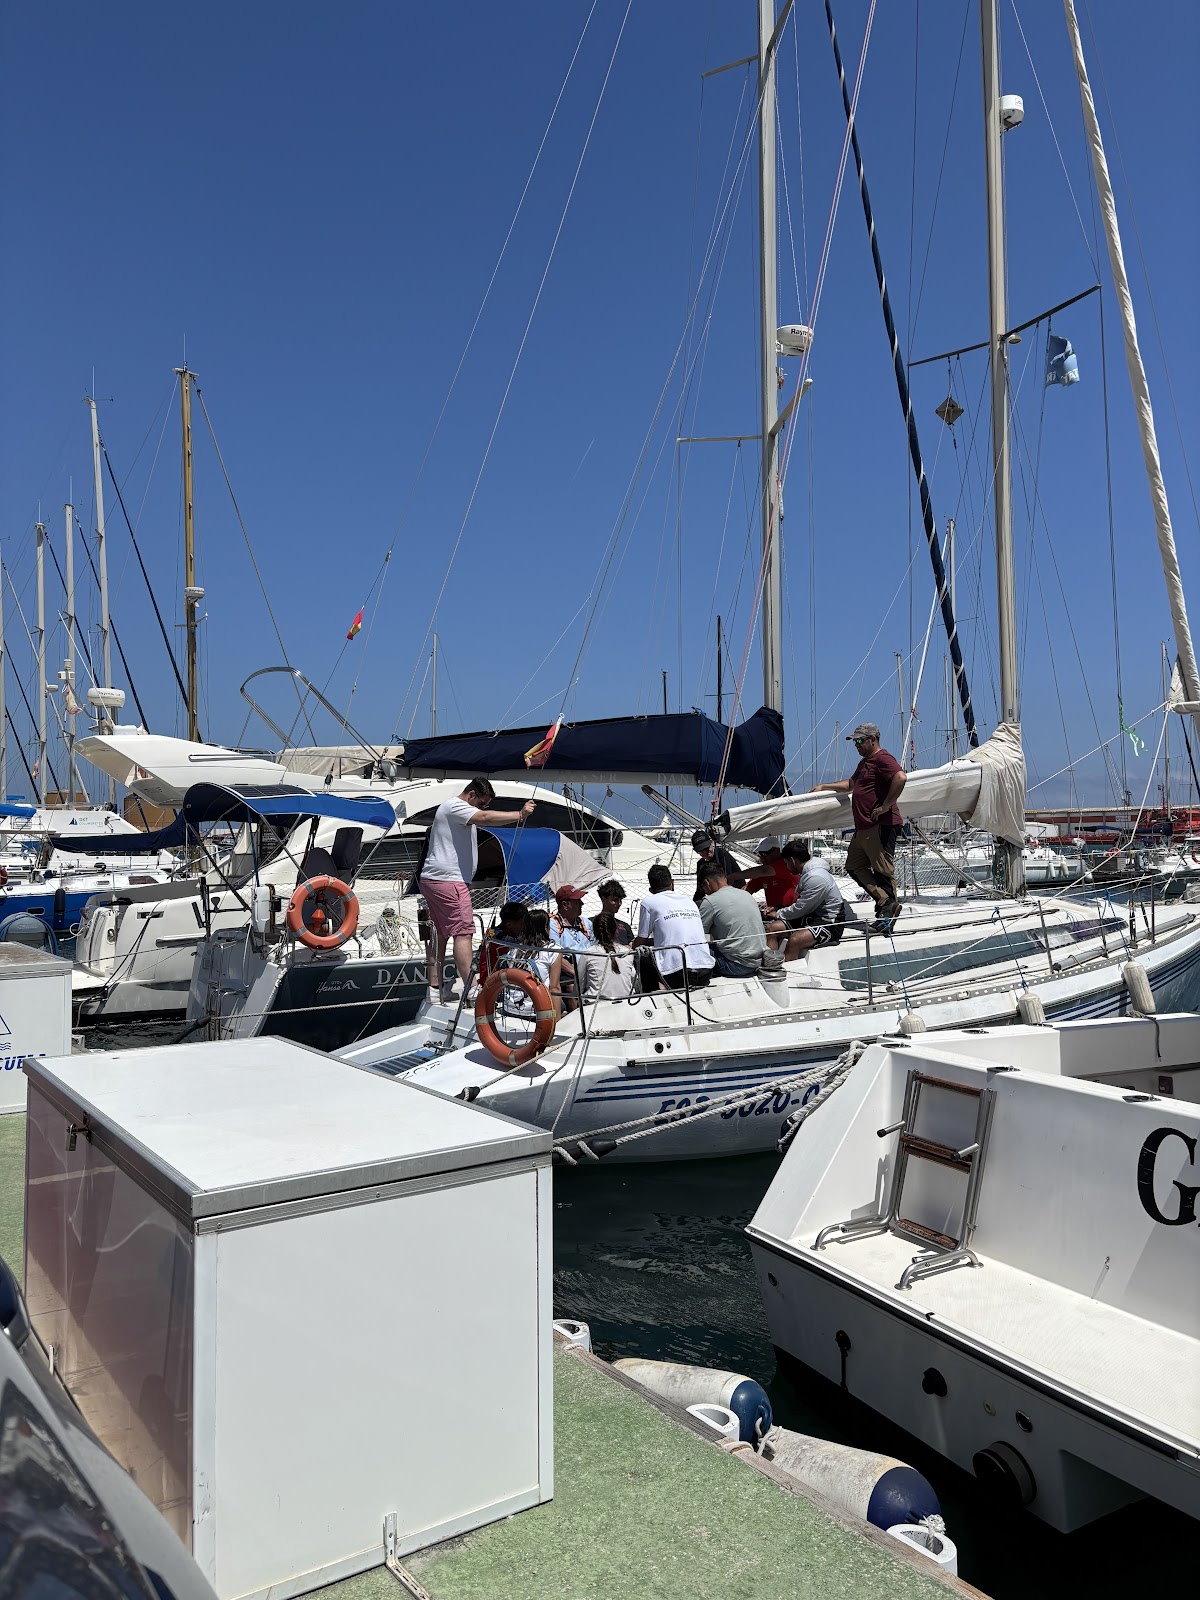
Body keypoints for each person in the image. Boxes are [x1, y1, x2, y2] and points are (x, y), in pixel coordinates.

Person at [422, 776, 535, 998]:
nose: (483, 808)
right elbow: (484, 818)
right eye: (482, 802)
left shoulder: (453, 810)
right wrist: (519, 815)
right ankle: (472, 989)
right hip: (449, 880)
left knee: (442, 933)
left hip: (435, 878)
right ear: (471, 795)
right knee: (463, 933)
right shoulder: (456, 806)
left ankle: (435, 988)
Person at [810, 723, 906, 931]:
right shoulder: (865, 763)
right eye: (855, 742)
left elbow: (900, 777)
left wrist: (885, 806)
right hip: (863, 827)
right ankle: (886, 903)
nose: (857, 745)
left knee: (883, 872)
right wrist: (825, 786)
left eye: (860, 741)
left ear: (873, 739)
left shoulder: (882, 759)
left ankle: (887, 920)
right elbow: (851, 785)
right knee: (853, 866)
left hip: (879, 825)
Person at [635, 863, 715, 990]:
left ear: (651, 890)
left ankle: (651, 997)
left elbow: (641, 942)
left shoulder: (648, 903)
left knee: (641, 957)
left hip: (677, 975)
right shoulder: (689, 902)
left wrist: (631, 946)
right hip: (706, 970)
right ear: (673, 884)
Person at [767, 839, 850, 960]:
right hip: (811, 916)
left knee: (795, 940)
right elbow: (801, 904)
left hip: (830, 922)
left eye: (786, 863)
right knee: (770, 929)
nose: (786, 867)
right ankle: (772, 965)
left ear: (792, 860)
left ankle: (789, 974)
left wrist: (778, 913)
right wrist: (779, 908)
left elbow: (802, 908)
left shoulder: (816, 877)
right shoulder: (806, 873)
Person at [697, 863, 767, 977]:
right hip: (758, 961)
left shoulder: (710, 901)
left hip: (735, 965)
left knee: (692, 948)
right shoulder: (746, 894)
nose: (705, 891)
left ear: (706, 883)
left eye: (703, 887)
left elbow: (698, 936)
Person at [577, 910, 637, 1003]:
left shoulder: (589, 954)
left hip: (597, 1004)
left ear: (594, 932)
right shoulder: (627, 953)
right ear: (616, 931)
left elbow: (578, 987)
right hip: (627, 1003)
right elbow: (633, 979)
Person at [549, 885, 592, 1012]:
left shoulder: (585, 923)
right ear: (565, 905)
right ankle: (578, 1020)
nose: (582, 903)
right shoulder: (553, 924)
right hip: (568, 969)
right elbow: (555, 955)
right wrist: (577, 973)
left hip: (589, 965)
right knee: (570, 985)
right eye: (577, 901)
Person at [741, 835, 798, 912]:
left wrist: (734, 876)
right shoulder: (765, 872)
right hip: (774, 913)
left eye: (765, 853)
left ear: (777, 851)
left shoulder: (784, 864)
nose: (762, 857)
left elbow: (764, 870)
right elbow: (749, 888)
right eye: (760, 854)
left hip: (792, 912)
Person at [478, 900, 530, 984]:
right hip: (493, 982)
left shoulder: (492, 931)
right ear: (509, 924)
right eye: (522, 923)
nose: (525, 926)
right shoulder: (497, 936)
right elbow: (516, 943)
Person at [690, 829, 745, 903]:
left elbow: (727, 881)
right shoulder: (700, 864)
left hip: (735, 894)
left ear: (712, 842)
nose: (706, 852)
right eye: (701, 851)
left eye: (707, 848)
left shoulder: (722, 855)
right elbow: (700, 890)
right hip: (717, 897)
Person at [595, 879, 634, 945]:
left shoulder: (625, 926)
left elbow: (631, 944)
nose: (619, 903)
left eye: (620, 900)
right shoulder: (591, 923)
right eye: (615, 900)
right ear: (603, 899)